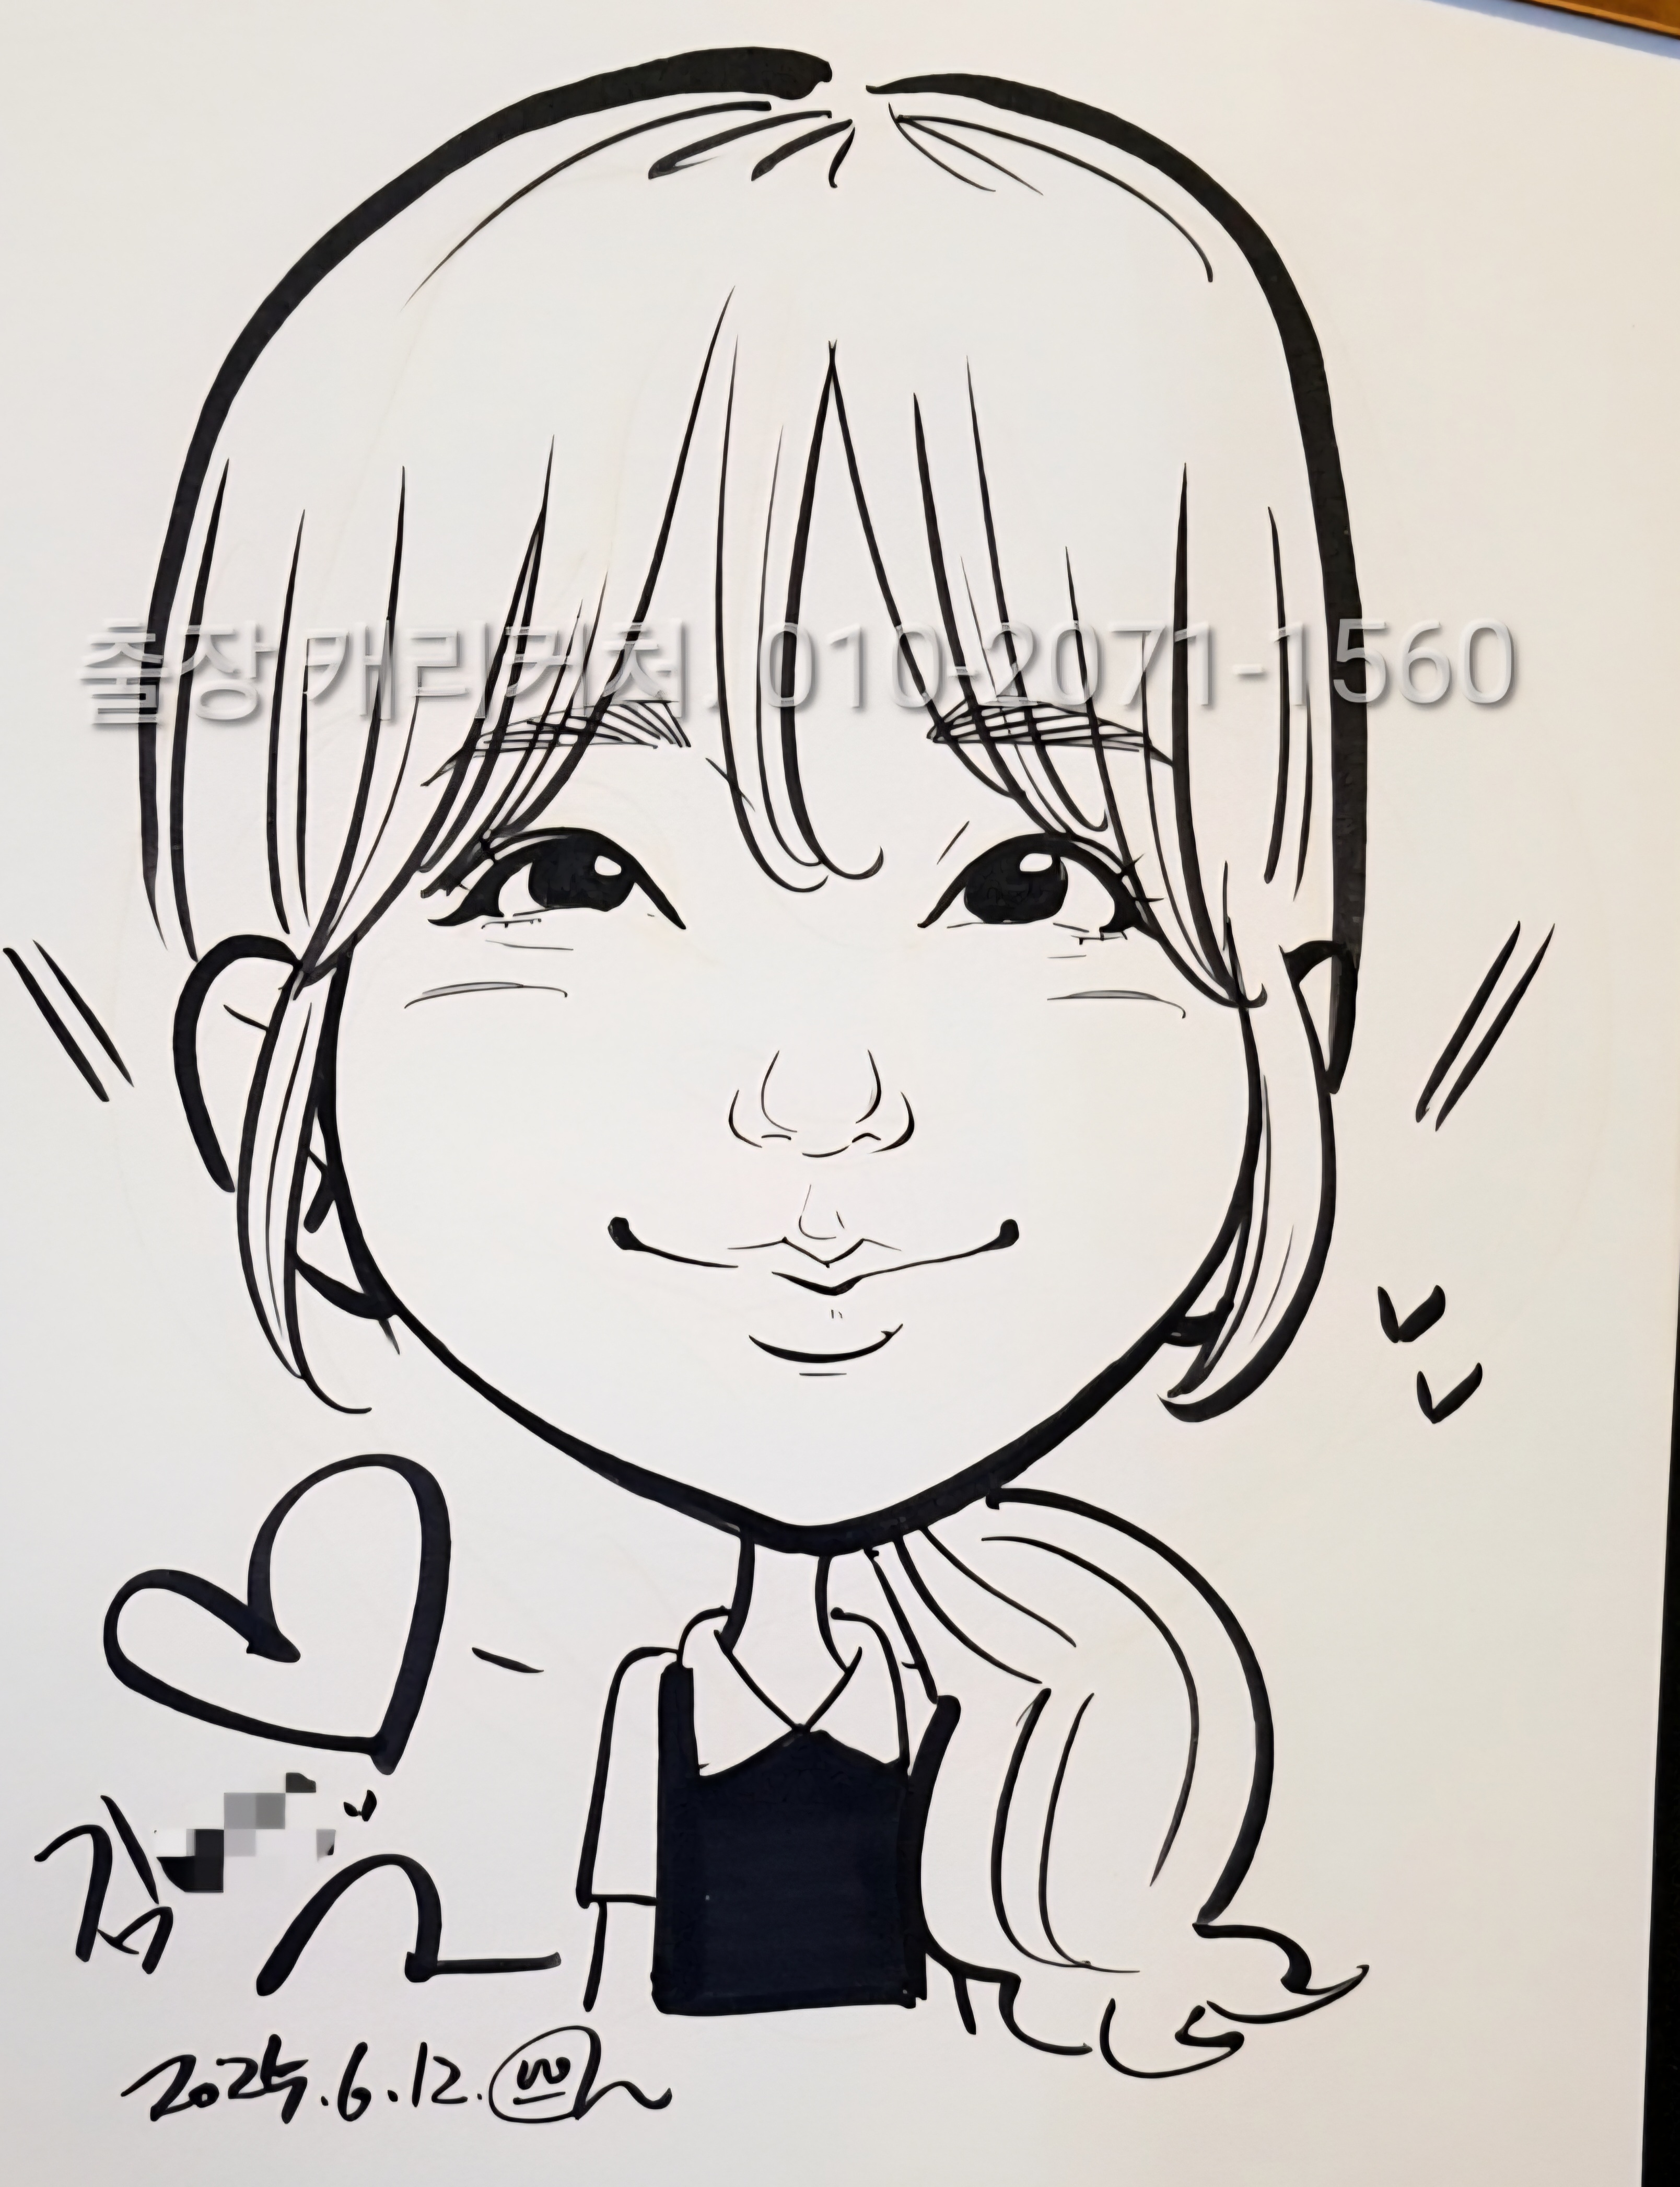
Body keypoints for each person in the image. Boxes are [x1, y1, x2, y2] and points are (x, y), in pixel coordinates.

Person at [131, 52, 1367, 2074]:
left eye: (1032, 883)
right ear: (278, 1056)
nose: (821, 1092)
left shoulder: (1091, 1717)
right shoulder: (481, 1675)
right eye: (569, 872)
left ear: (1277, 1028)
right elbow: (277, 1899)